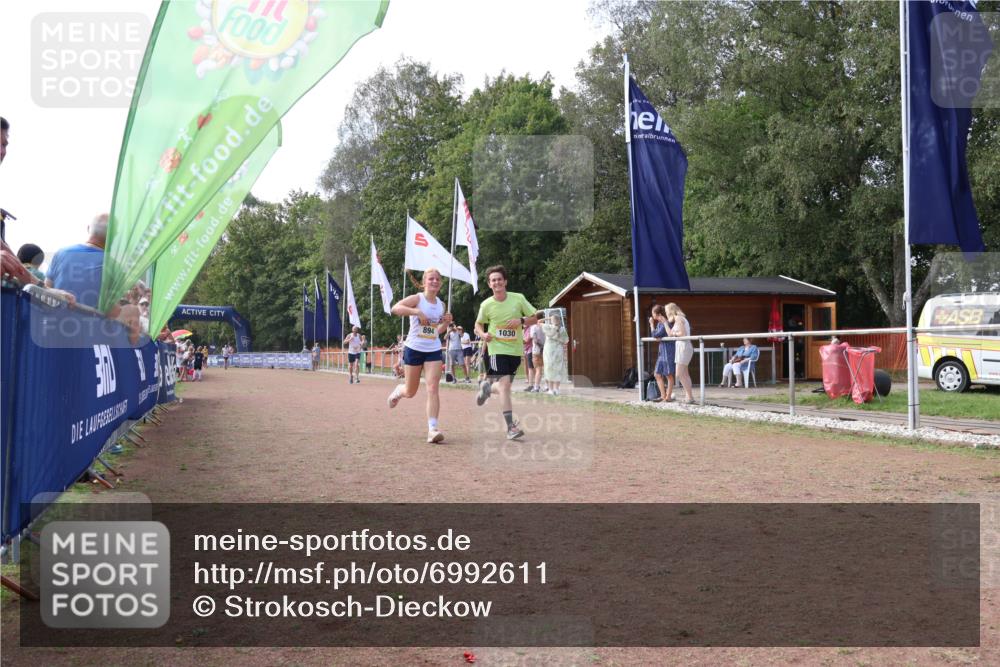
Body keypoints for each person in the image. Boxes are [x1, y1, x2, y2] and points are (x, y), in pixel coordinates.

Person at [386, 268, 452, 444]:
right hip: (414, 348)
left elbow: (436, 332)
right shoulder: (417, 298)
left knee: (432, 388)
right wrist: (417, 312)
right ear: (424, 282)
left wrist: (445, 323)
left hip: (433, 349)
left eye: (438, 279)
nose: (434, 282)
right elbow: (395, 308)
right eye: (431, 279)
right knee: (410, 391)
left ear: (441, 283)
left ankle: (432, 429)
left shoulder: (441, 304)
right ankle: (399, 391)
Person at [474, 265, 539, 441]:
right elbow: (478, 324)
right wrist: (483, 334)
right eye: (493, 280)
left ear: (505, 282)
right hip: (496, 349)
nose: (497, 282)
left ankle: (486, 388)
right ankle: (510, 427)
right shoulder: (486, 304)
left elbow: (535, 317)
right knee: (505, 386)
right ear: (489, 284)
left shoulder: (518, 299)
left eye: (499, 279)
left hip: (515, 350)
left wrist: (521, 320)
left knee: (505, 387)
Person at [46, 213, 109, 309]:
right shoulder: (113, 265)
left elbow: (46, 289)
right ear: (112, 236)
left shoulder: (61, 253)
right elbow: (113, 310)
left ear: (88, 229)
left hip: (53, 318)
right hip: (89, 323)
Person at [665, 303, 694, 403]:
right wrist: (664, 322)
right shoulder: (678, 319)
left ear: (670, 311)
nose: (666, 314)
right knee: (685, 374)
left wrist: (674, 334)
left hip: (684, 346)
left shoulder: (678, 318)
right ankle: (689, 396)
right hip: (682, 346)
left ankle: (690, 397)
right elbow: (670, 334)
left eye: (666, 312)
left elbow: (682, 334)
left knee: (679, 374)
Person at [648, 304, 675, 402]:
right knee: (657, 374)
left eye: (653, 313)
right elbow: (656, 337)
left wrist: (651, 324)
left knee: (669, 375)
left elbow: (655, 334)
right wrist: (657, 337)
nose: (652, 316)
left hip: (668, 351)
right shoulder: (660, 324)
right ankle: (663, 396)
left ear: (657, 314)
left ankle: (668, 397)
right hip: (662, 352)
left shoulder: (665, 323)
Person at [541, 311, 569, 395]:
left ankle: (551, 389)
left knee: (549, 368)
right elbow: (566, 340)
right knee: (557, 369)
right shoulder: (562, 329)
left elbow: (538, 321)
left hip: (549, 351)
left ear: (551, 320)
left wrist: (549, 318)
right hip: (557, 350)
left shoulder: (548, 327)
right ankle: (556, 389)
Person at [529, 317, 546, 393]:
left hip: (537, 351)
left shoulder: (533, 327)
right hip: (546, 350)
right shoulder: (545, 326)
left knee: (538, 370)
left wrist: (541, 347)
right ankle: (548, 386)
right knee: (546, 369)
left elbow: (535, 340)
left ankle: (536, 387)